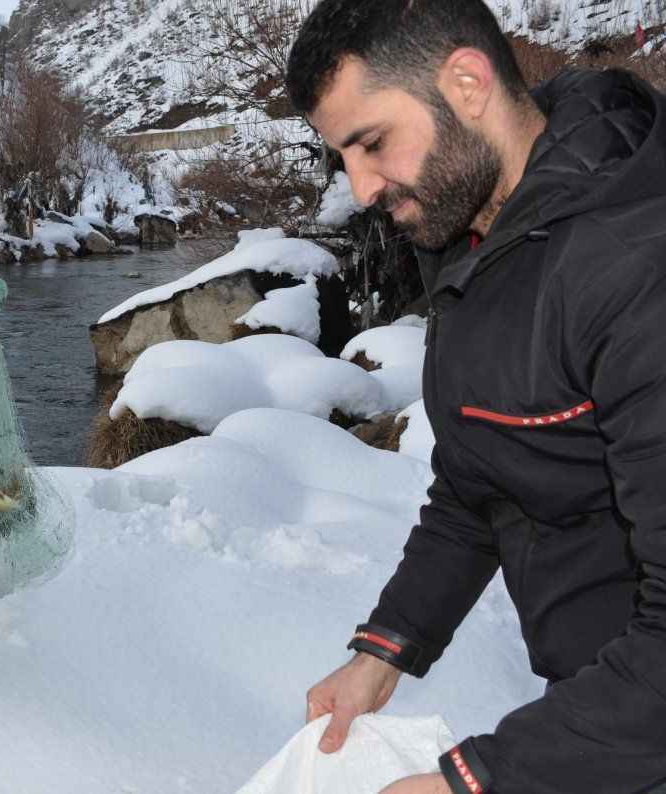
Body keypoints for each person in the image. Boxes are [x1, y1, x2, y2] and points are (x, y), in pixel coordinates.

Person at [285, 1, 666, 792]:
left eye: (371, 143)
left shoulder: (634, 265)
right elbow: (479, 477)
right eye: (341, 158)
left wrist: (479, 780)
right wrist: (387, 648)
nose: (358, 189)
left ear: (466, 82)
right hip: (595, 719)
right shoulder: (468, 234)